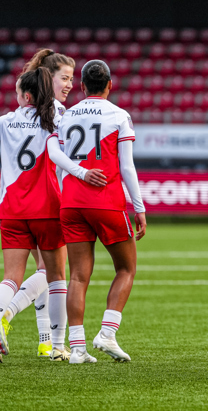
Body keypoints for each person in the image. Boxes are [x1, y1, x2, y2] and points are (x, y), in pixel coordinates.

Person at [0, 67, 106, 363]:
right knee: (56, 278)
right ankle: (56, 346)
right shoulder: (57, 120)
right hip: (48, 209)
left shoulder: (6, 121)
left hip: (12, 210)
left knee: (10, 278)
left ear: (26, 95)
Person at [56, 60, 146, 364]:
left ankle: (77, 349)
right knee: (126, 268)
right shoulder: (119, 115)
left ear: (82, 86)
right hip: (105, 201)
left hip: (71, 202)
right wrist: (139, 207)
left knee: (78, 276)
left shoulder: (66, 116)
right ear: (109, 85)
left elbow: (60, 164)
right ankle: (107, 333)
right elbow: (127, 166)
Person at [0, 49, 77, 358]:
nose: (69, 85)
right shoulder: (57, 113)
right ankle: (8, 315)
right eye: (64, 78)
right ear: (48, 78)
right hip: (47, 202)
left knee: (42, 270)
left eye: (72, 79)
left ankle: (46, 340)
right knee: (52, 272)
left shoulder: (25, 113)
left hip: (20, 204)